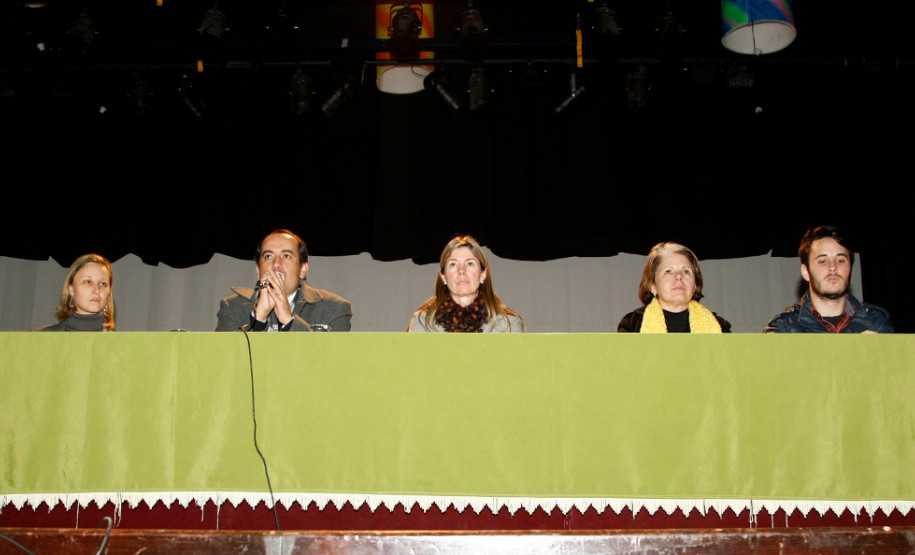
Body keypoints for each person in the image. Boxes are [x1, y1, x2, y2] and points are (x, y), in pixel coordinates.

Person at [216, 229, 353, 332]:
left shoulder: (334, 308)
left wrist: (289, 321)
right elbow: (222, 361)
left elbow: (331, 362)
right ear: (258, 270)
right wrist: (258, 320)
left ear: (303, 270)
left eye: (286, 256)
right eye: (268, 256)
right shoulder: (233, 307)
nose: (276, 264)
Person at [764, 225, 893, 333]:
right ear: (806, 272)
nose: (833, 267)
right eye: (823, 261)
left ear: (850, 268)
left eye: (840, 260)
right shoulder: (784, 327)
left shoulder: (875, 320)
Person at [408, 235, 524, 333]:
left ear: (483, 274)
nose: (461, 271)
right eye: (453, 264)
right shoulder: (423, 323)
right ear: (443, 276)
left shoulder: (507, 326)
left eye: (470, 264)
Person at [618, 242, 731, 333]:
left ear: (695, 284)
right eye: (668, 271)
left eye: (686, 271)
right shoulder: (633, 325)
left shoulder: (719, 327)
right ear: (652, 285)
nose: (678, 277)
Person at [38, 253, 115, 331]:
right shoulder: (46, 337)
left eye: (103, 284)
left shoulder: (119, 342)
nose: (97, 290)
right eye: (88, 282)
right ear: (71, 289)